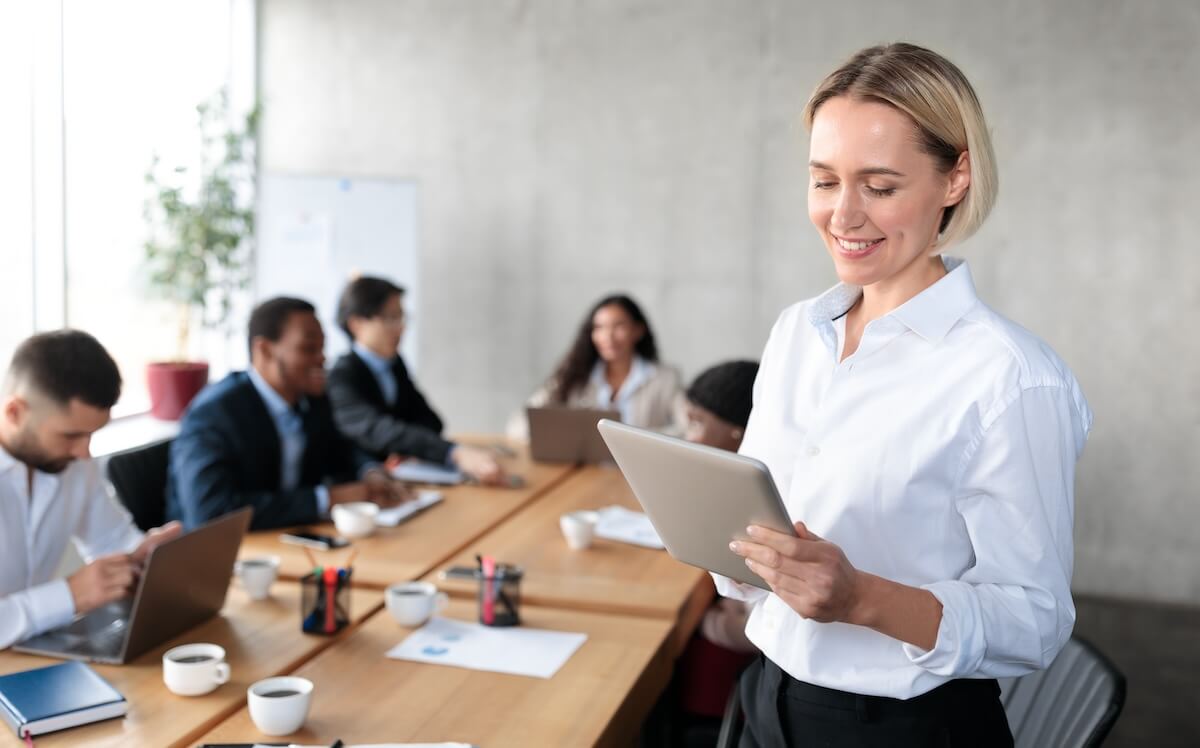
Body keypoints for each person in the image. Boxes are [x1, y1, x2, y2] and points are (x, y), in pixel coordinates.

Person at [721, 43, 1092, 746]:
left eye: (880, 187)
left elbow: (1035, 622)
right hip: (768, 695)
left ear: (956, 178)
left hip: (900, 728)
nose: (843, 215)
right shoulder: (798, 331)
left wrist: (862, 598)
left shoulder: (1010, 378)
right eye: (824, 181)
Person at [0, 331, 181, 650]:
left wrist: (143, 555)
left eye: (92, 434)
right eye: (70, 435)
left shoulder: (74, 462)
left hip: (38, 656)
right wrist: (69, 595)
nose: (84, 452)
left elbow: (111, 540)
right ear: (14, 412)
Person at [166, 297, 410, 531]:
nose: (322, 358)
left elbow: (343, 449)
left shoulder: (312, 400)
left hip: (291, 539)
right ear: (264, 351)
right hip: (224, 556)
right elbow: (211, 512)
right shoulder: (213, 415)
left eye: (322, 348)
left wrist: (370, 472)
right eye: (308, 348)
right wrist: (327, 499)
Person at [327, 276, 506, 485]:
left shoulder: (394, 364)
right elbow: (377, 430)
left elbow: (429, 419)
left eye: (402, 318)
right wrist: (454, 452)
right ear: (356, 324)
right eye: (390, 318)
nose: (401, 328)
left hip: (405, 480)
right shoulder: (341, 376)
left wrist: (405, 448)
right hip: (363, 488)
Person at [672, 361, 761, 745]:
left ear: (736, 431)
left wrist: (702, 621)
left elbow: (752, 630)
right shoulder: (728, 481)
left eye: (697, 423)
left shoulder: (762, 503)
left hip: (738, 651)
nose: (687, 437)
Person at [507, 294, 686, 440]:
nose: (608, 336)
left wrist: (638, 440)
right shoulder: (574, 374)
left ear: (638, 331)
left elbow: (689, 430)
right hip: (581, 474)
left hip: (638, 473)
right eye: (599, 327)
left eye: (619, 326)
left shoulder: (666, 379)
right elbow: (520, 424)